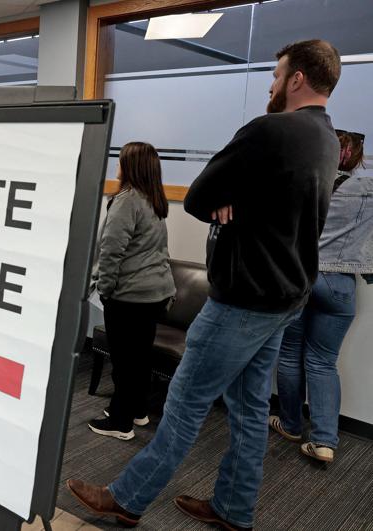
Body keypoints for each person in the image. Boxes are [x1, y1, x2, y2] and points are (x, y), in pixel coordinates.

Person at [67, 39, 341, 531]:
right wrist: (234, 201)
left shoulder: (271, 130)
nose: (272, 84)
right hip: (285, 296)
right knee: (250, 408)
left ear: (297, 78)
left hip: (244, 298)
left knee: (185, 403)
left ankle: (125, 500)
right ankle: (234, 509)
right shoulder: (326, 138)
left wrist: (227, 201)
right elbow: (271, 205)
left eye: (277, 75)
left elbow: (198, 195)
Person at [271, 130, 372, 464]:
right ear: (359, 154)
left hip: (302, 276)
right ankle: (325, 441)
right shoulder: (368, 188)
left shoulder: (307, 179)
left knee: (289, 353)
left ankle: (289, 424)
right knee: (323, 361)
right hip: (340, 283)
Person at [87, 142, 175, 441]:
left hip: (130, 296)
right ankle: (137, 410)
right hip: (154, 295)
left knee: (125, 361)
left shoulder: (126, 200)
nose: (117, 166)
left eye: (120, 161)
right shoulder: (154, 200)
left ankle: (121, 423)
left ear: (130, 167)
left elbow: (111, 251)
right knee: (139, 358)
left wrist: (106, 289)